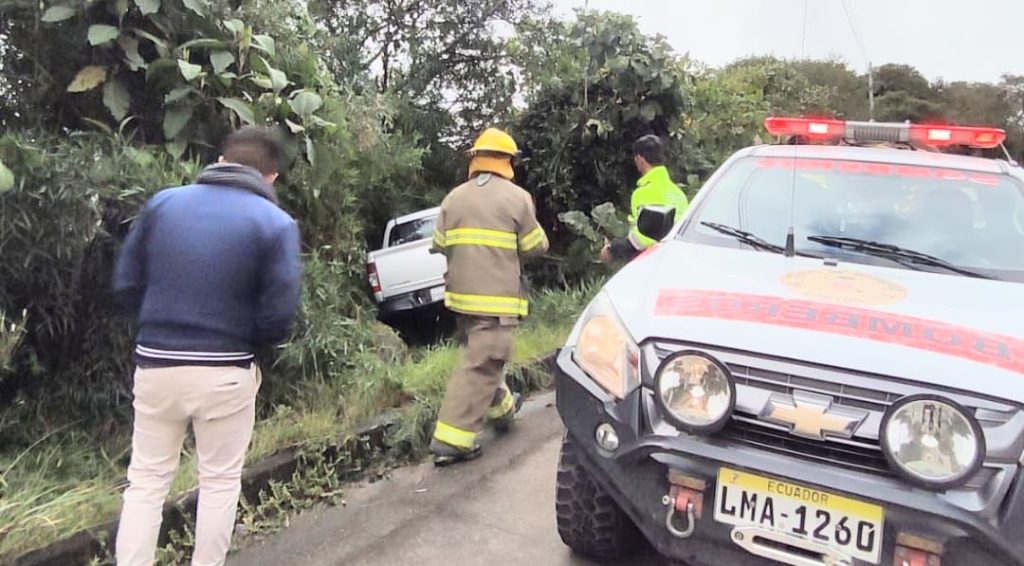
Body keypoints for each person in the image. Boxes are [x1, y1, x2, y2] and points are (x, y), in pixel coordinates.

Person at [111, 126, 302, 566]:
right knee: (218, 482)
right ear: (271, 177)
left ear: (219, 161)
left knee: (146, 481)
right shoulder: (276, 224)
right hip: (226, 369)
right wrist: (244, 349)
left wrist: (157, 329)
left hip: (156, 363)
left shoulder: (164, 203)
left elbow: (125, 283)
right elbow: (278, 315)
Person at [429, 127, 549, 466]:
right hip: (495, 300)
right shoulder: (517, 198)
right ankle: (451, 439)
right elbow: (535, 245)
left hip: (460, 299)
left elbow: (438, 243)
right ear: (507, 161)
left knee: (483, 351)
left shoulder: (453, 198)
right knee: (486, 358)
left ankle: (504, 410)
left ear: (476, 159)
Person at [600, 134, 689, 263]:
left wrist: (612, 250)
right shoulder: (678, 193)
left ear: (640, 159)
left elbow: (646, 236)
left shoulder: (644, 193)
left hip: (654, 263)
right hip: (677, 260)